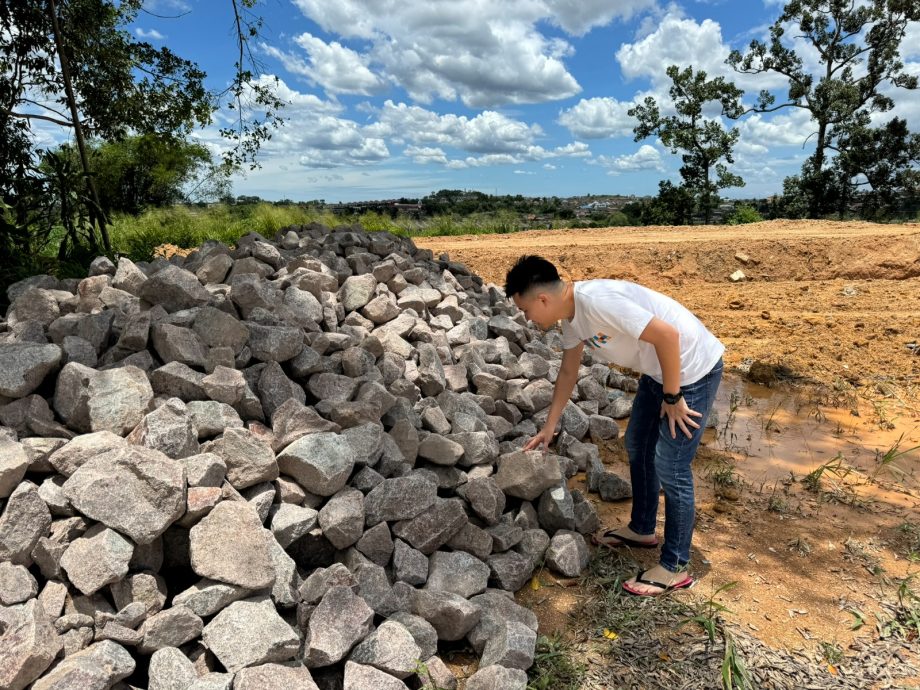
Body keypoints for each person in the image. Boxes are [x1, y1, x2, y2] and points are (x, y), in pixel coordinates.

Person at [504, 255, 724, 596]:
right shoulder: (571, 318)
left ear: (542, 299)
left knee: (671, 463)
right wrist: (549, 427)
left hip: (692, 371)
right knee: (637, 443)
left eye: (525, 310)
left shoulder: (598, 302)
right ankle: (642, 529)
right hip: (659, 372)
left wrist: (673, 397)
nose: (527, 319)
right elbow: (567, 371)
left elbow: (667, 336)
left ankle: (675, 565)